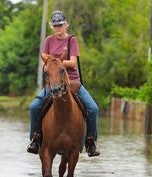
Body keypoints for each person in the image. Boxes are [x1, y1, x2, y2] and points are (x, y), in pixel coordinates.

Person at [27, 11, 100, 157]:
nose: (58, 27)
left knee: (93, 109)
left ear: (65, 24)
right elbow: (45, 64)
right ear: (52, 26)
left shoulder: (72, 40)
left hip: (73, 82)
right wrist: (53, 65)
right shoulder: (48, 40)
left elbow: (73, 63)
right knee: (34, 106)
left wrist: (56, 62)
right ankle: (36, 139)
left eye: (60, 24)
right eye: (55, 25)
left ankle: (90, 142)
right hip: (53, 82)